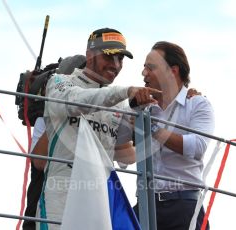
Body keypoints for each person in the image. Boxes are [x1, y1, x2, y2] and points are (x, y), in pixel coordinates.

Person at [35, 28, 160, 230]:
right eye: (109, 57)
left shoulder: (119, 101)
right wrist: (125, 92)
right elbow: (78, 102)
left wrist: (136, 108)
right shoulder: (60, 82)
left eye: (120, 59)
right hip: (61, 195)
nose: (116, 65)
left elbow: (121, 148)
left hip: (100, 198)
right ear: (89, 55)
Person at [133, 41, 215, 230]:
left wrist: (151, 129)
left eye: (150, 67)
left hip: (184, 207)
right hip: (145, 207)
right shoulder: (143, 109)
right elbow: (118, 147)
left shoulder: (198, 104)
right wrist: (131, 108)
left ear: (173, 71)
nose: (143, 73)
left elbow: (197, 147)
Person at [22, 55, 86, 230]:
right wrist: (63, 115)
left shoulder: (97, 113)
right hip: (44, 199)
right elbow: (40, 162)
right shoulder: (46, 115)